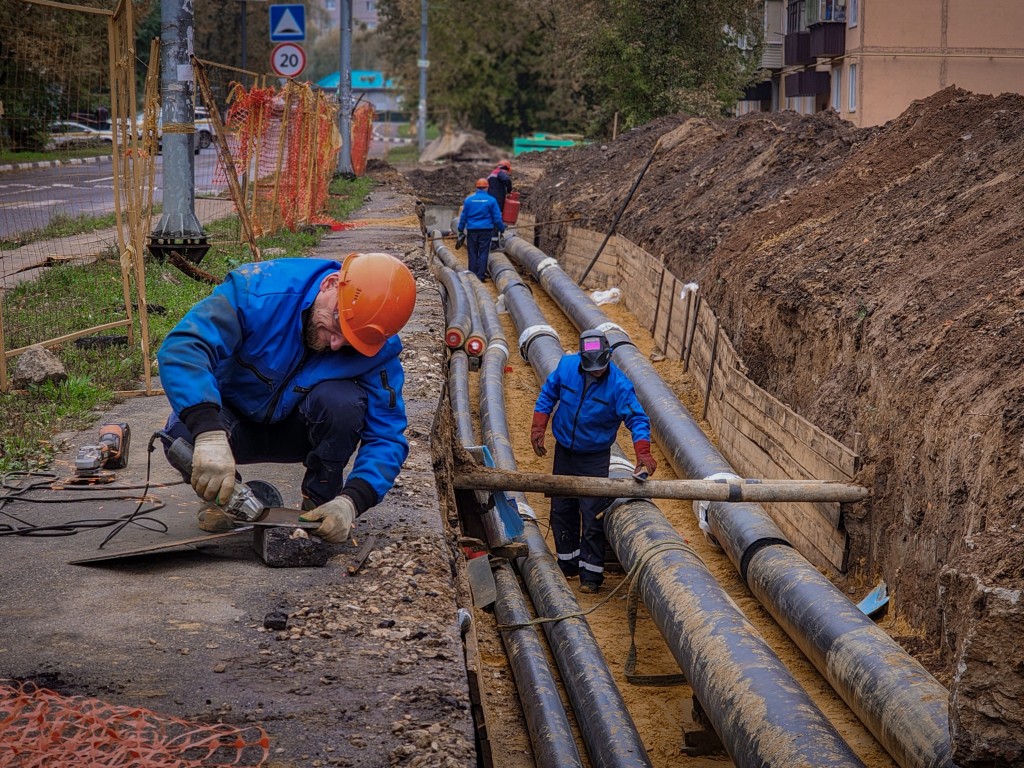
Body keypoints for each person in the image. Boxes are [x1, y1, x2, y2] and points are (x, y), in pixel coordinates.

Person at [156, 253, 417, 545]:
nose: (335, 343)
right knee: (180, 435)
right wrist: (209, 434)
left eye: (350, 340)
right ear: (331, 284)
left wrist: (352, 501)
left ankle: (320, 507)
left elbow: (387, 436)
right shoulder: (258, 291)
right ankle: (228, 498)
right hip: (229, 422)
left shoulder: (377, 350)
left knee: (343, 403)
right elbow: (183, 347)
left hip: (298, 428)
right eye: (337, 321)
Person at [530, 329, 657, 593]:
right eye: (591, 367)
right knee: (561, 509)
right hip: (565, 451)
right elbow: (548, 394)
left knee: (592, 515)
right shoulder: (567, 367)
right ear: (582, 359)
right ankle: (567, 564)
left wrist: (643, 452)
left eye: (600, 367)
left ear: (608, 357)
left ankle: (591, 575)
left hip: (594, 457)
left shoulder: (619, 386)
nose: (596, 372)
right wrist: (538, 427)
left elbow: (638, 419)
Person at [458, 178, 505, 281]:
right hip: (486, 230)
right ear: (487, 187)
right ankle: (480, 276)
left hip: (472, 230)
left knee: (472, 252)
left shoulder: (469, 200)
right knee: (483, 253)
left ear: (477, 187)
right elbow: (497, 217)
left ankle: (472, 274)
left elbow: (463, 216)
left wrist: (460, 229)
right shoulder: (491, 200)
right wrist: (501, 229)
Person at [487, 159, 513, 247]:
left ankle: (492, 242)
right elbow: (506, 180)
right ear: (506, 168)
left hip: (490, 200)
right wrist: (509, 189)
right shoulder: (500, 173)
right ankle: (493, 244)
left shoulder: (492, 174)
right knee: (496, 221)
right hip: (496, 201)